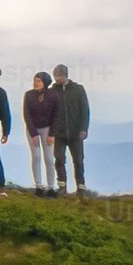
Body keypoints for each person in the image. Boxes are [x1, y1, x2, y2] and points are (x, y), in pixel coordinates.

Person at [51, 63, 91, 193]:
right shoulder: (52, 92)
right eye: (55, 76)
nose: (57, 79)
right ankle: (62, 185)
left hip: (75, 132)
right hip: (58, 133)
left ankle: (81, 186)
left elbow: (85, 110)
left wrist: (84, 128)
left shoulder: (78, 89)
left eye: (59, 76)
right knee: (59, 159)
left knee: (78, 160)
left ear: (65, 75)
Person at [22, 70, 59, 195]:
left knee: (49, 158)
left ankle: (51, 187)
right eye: (35, 81)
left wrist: (52, 134)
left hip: (48, 129)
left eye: (38, 81)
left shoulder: (53, 96)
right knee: (36, 156)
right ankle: (38, 186)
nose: (36, 83)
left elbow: (56, 115)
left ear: (45, 82)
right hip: (33, 129)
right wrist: (33, 134)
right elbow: (27, 115)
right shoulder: (28, 95)